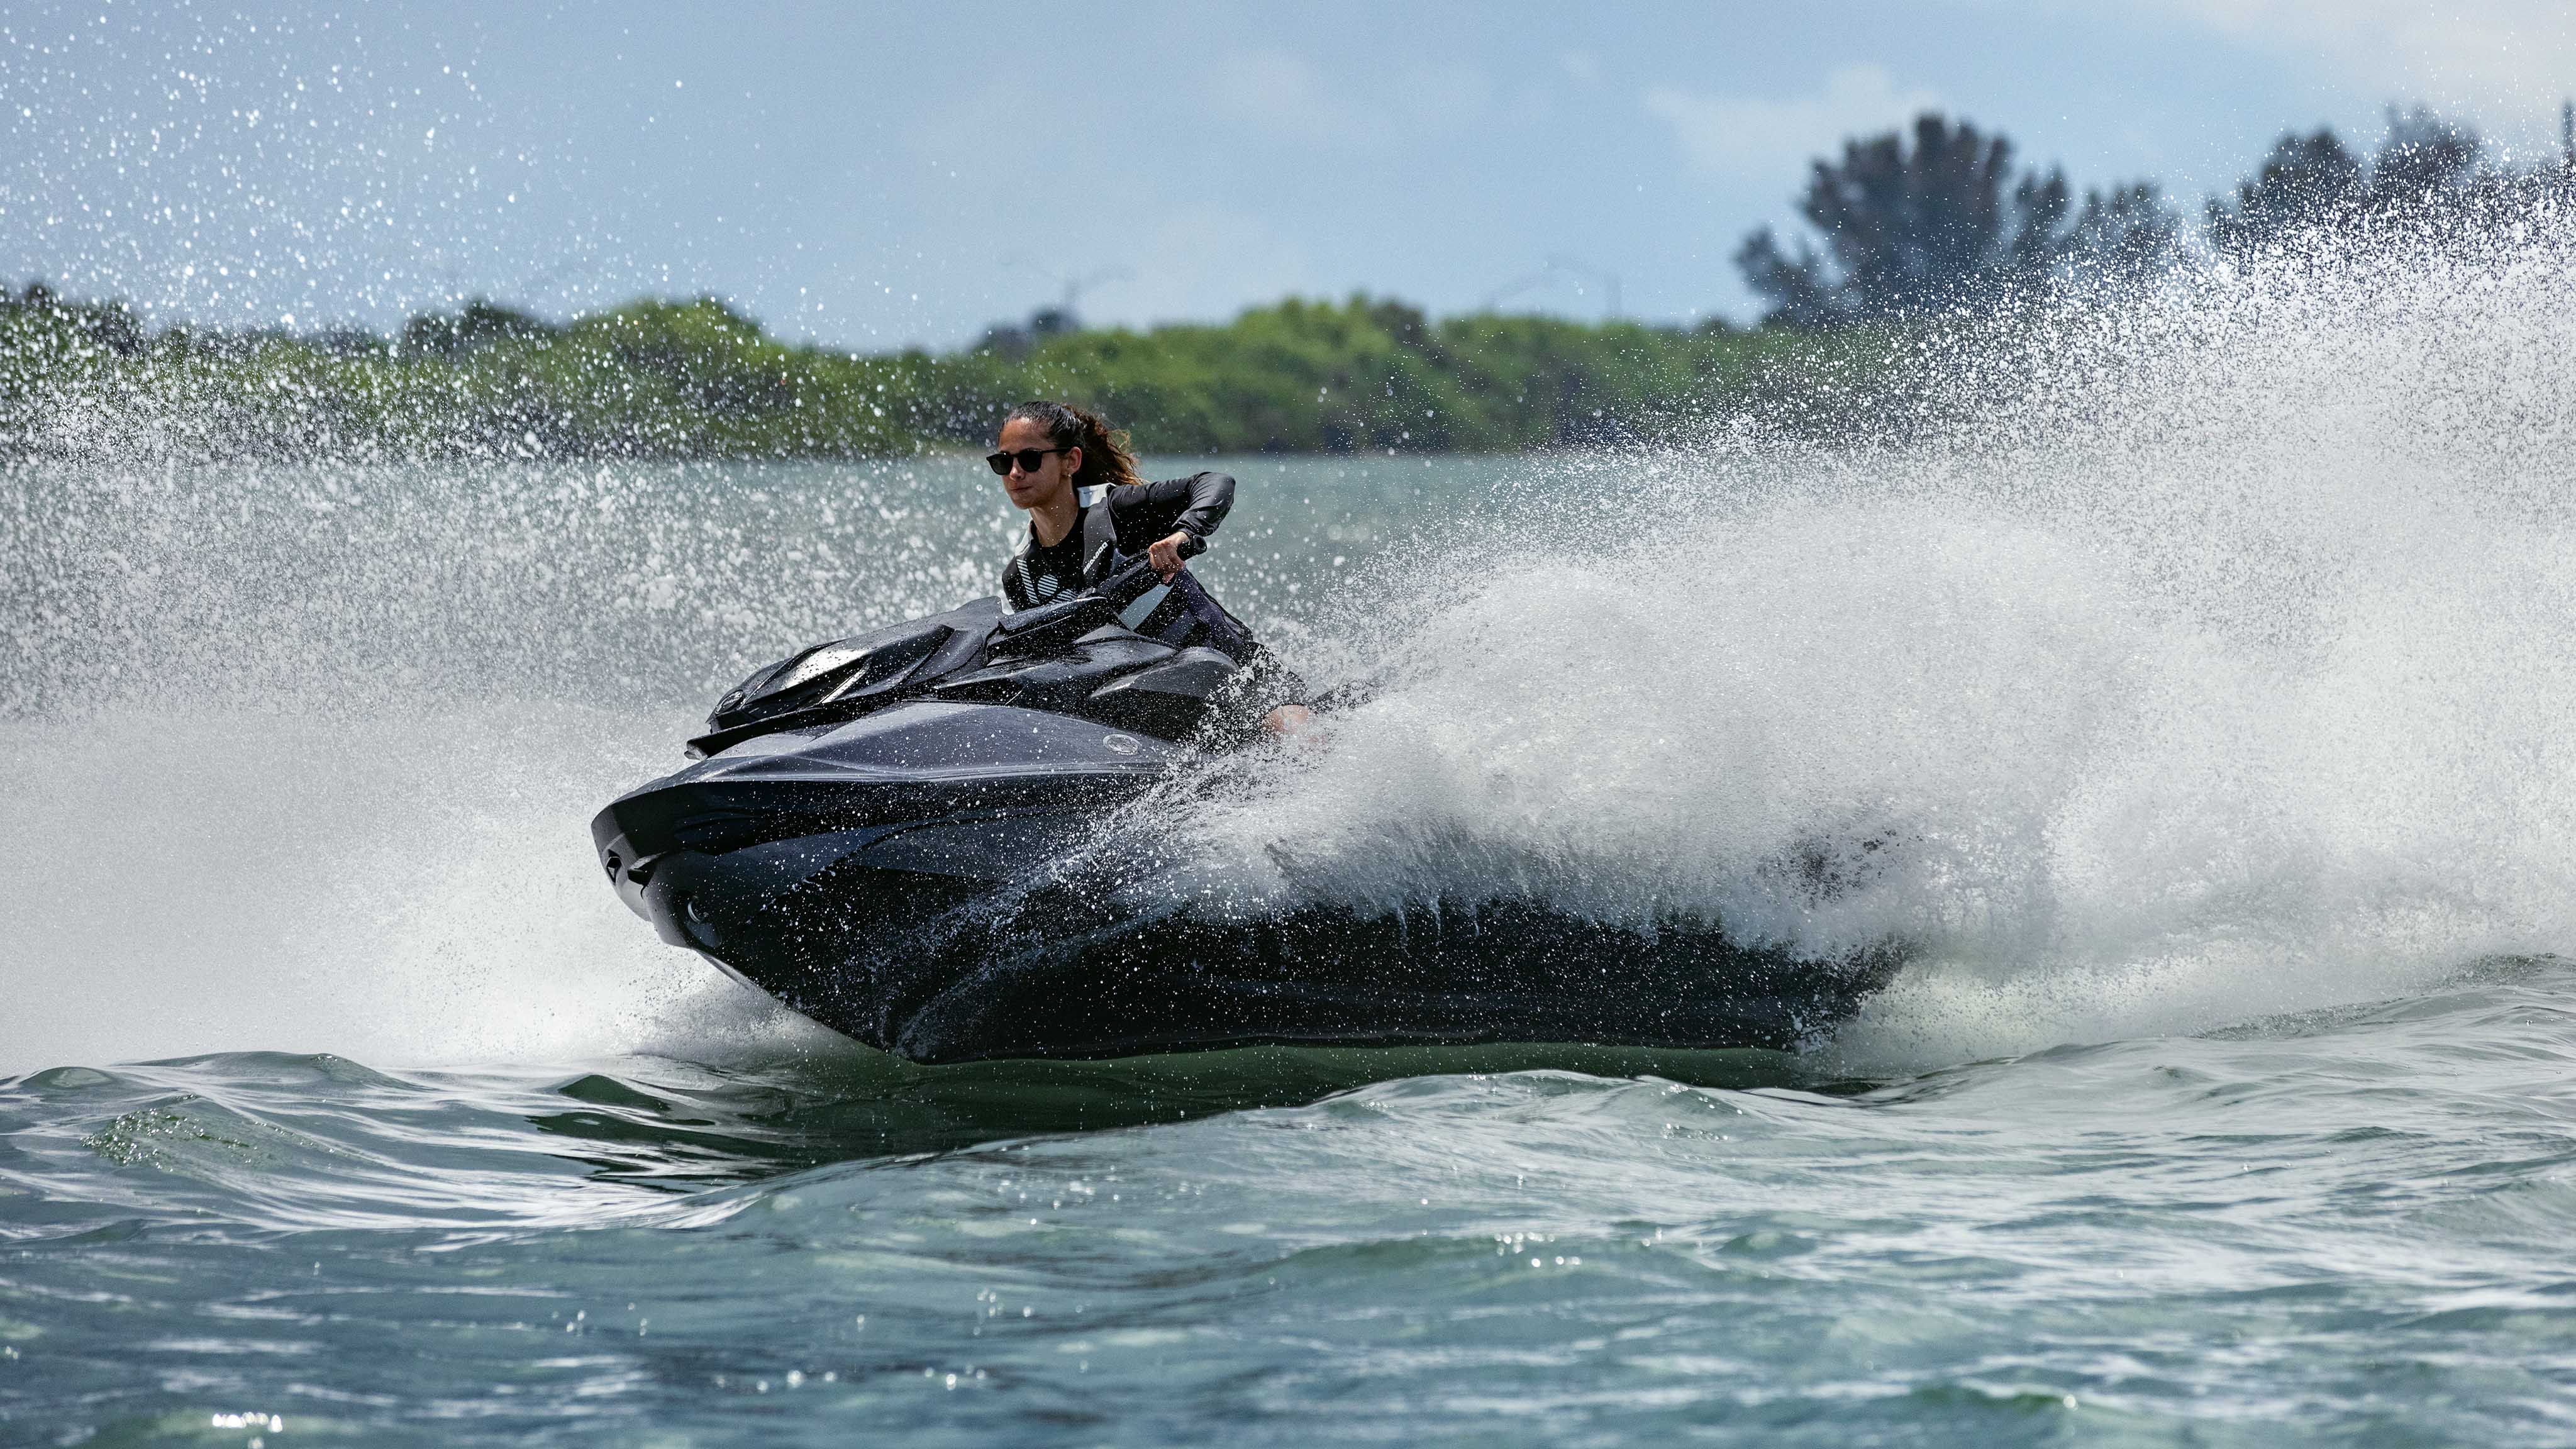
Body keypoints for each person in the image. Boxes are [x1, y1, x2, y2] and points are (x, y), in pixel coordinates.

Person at [987, 399, 1311, 737]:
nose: (1015, 473)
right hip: (1155, 709)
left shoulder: (1118, 513)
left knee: (1292, 739)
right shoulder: (1021, 578)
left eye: (1029, 458)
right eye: (1003, 462)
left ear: (1071, 460)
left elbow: (1216, 483)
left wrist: (1183, 536)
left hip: (1242, 681)